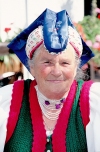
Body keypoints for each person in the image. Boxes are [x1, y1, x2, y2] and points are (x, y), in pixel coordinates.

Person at [0, 8, 100, 152]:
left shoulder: (93, 101)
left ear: (76, 68)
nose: (57, 71)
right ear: (32, 67)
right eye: (47, 62)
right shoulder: (7, 101)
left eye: (65, 63)